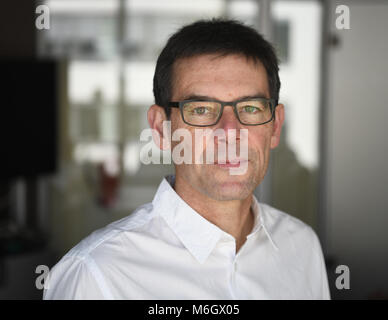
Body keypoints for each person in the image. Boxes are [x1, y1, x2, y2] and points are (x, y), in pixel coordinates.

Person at [44, 19, 330, 299]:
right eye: (201, 110)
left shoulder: (302, 247)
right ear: (161, 129)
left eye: (251, 108)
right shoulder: (96, 277)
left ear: (275, 126)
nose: (230, 132)